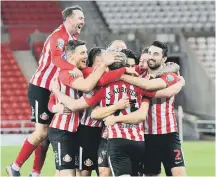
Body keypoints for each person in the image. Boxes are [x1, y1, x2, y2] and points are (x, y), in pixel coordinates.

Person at [50, 51, 185, 176]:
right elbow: (164, 93)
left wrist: (57, 92)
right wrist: (180, 82)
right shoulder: (141, 86)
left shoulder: (102, 88)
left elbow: (86, 110)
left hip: (117, 140)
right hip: (138, 141)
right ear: (126, 66)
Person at [6, 5, 86, 177]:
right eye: (80, 18)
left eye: (84, 18)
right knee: (42, 132)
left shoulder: (73, 37)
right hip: (41, 87)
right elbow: (57, 59)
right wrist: (73, 68)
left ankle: (35, 173)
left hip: (52, 89)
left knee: (47, 135)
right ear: (69, 19)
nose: (83, 21)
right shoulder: (59, 37)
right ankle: (14, 167)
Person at [120, 41, 187, 176]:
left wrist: (138, 89)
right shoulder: (139, 76)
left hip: (168, 135)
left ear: (164, 59)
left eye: (156, 54)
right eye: (149, 53)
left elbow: (153, 88)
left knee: (179, 174)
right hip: (146, 136)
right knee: (150, 174)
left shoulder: (170, 75)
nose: (151, 56)